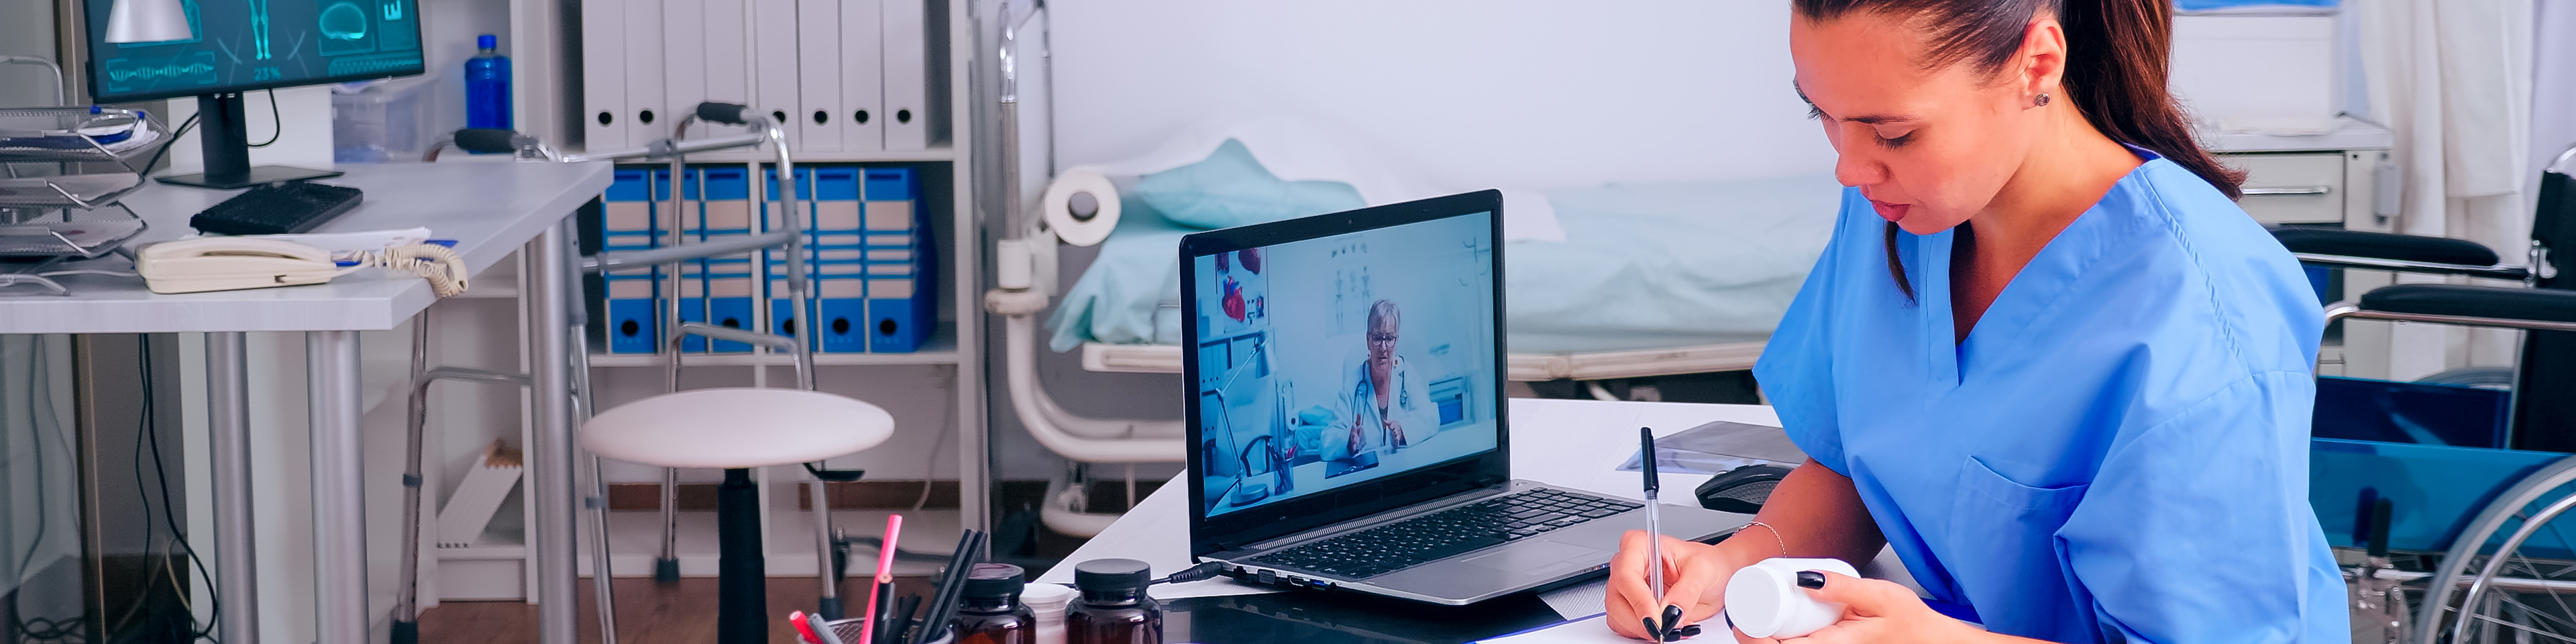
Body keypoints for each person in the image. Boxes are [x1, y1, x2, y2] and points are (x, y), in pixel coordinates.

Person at [1605, 0, 2343, 642]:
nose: (1850, 167)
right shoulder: (1894, 212)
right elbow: (1861, 466)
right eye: (1821, 115)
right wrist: (1733, 560)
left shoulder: (2198, 312)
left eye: (1892, 134)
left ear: (2036, 65)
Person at [1322, 300, 1438, 464]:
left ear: (1396, 341)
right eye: (1377, 338)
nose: (1383, 347)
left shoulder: (1406, 373)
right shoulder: (1354, 383)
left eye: (1389, 338)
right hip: (1368, 479)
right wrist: (1348, 440)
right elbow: (1326, 444)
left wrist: (1403, 430)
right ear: (1368, 340)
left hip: (1405, 469)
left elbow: (1432, 417)